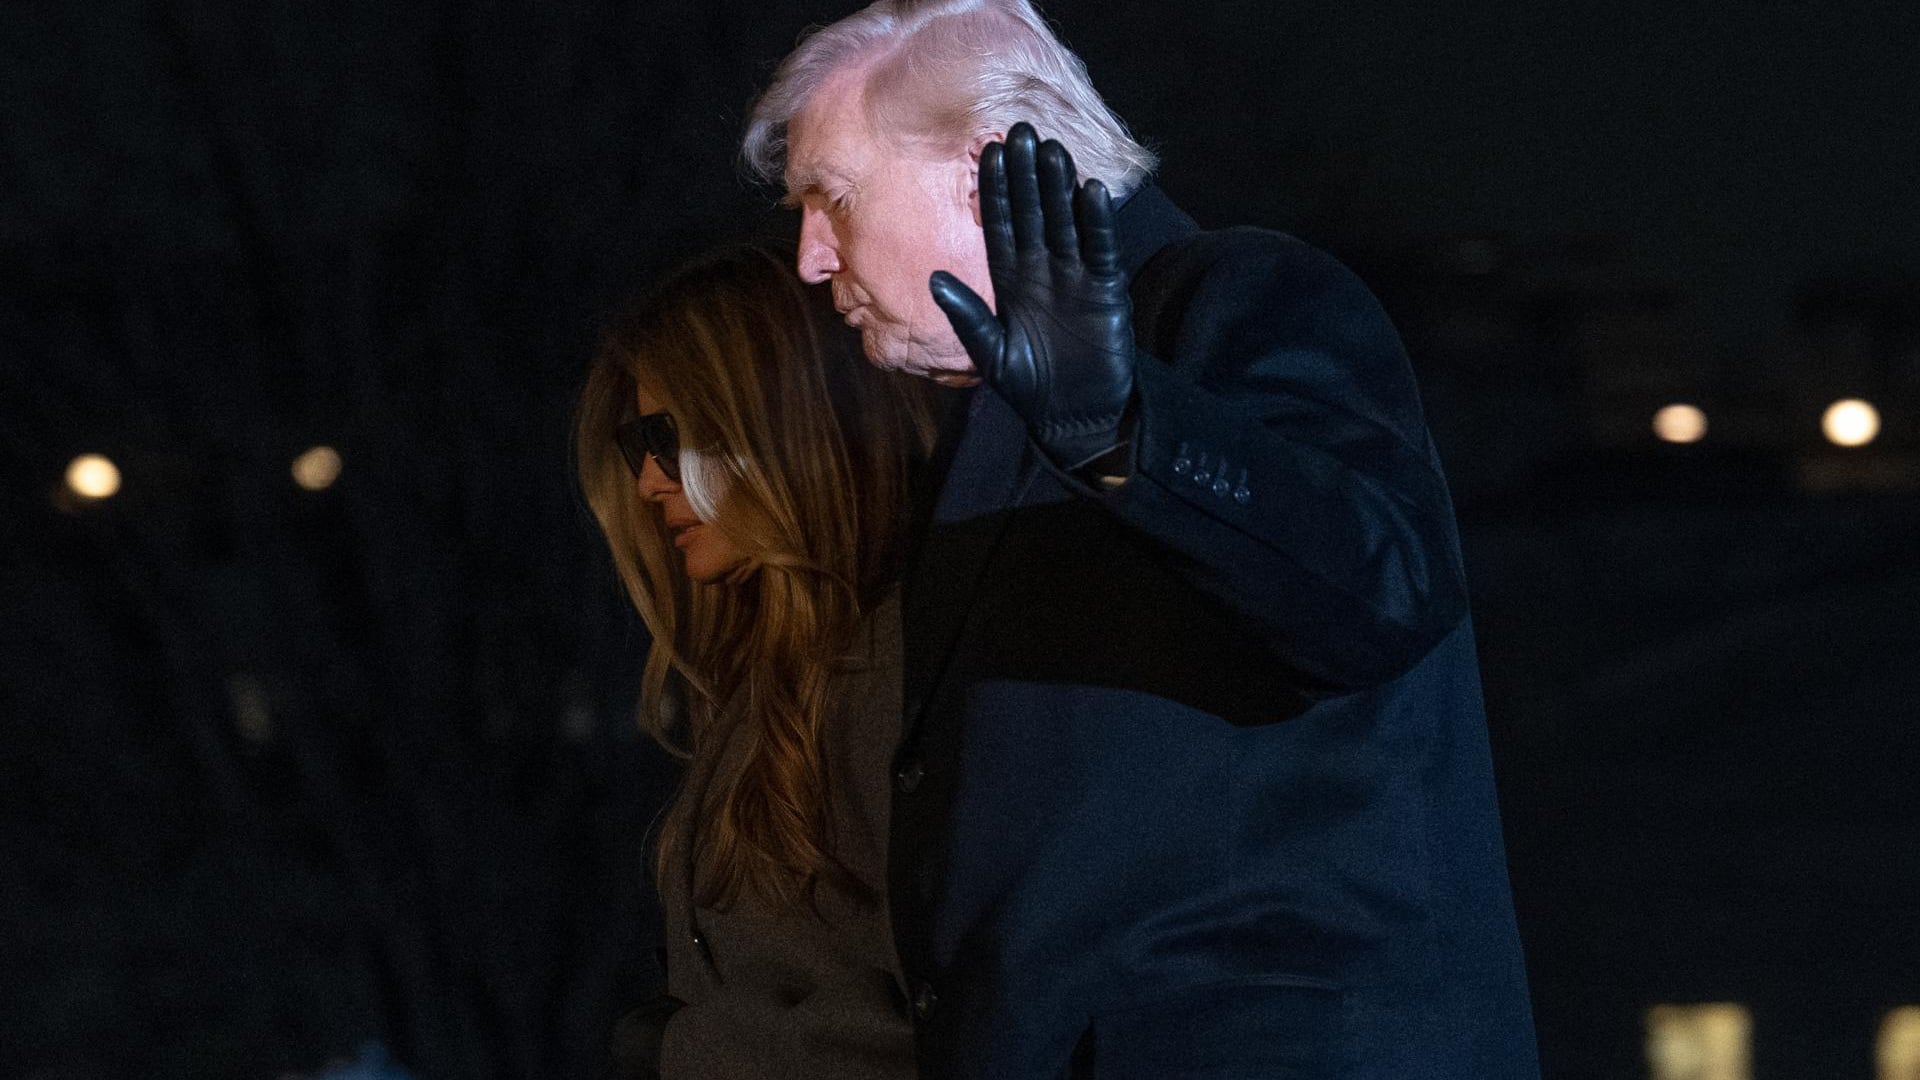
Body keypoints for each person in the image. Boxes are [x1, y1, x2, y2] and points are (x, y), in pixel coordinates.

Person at [741, 2, 1542, 1078]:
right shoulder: (983, 418)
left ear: (985, 165)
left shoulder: (1244, 293)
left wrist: (1130, 429)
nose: (809, 256)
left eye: (831, 199)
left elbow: (1384, 588)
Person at [575, 245, 935, 1079]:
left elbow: (954, 1003)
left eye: (661, 439)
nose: (647, 487)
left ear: (766, 421)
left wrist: (679, 1051)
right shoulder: (764, 682)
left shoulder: (902, 670)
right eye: (634, 450)